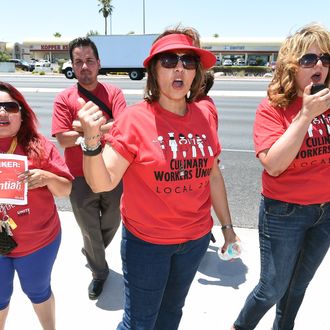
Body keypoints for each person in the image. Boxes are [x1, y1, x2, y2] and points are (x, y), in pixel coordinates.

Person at [77, 26, 240, 330]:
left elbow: (213, 177)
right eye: (168, 61)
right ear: (153, 71)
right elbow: (102, 183)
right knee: (139, 322)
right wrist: (91, 140)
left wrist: (227, 228)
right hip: (147, 245)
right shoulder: (135, 120)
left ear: (195, 74)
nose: (179, 67)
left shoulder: (204, 115)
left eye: (188, 61)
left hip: (194, 241)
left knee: (171, 315)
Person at [231, 23, 330, 330]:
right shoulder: (273, 109)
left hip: (325, 212)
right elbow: (274, 164)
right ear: (291, 65)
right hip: (284, 212)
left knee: (298, 285)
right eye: (308, 59)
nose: (319, 65)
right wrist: (305, 115)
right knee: (273, 287)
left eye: (326, 59)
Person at [51, 37, 126, 300]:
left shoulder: (114, 93)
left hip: (112, 171)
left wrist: (81, 127)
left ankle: (92, 251)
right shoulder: (64, 98)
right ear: (72, 65)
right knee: (88, 228)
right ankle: (99, 272)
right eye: (79, 61)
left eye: (89, 61)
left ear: (99, 64)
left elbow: (120, 128)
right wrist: (96, 129)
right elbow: (62, 138)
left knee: (112, 222)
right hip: (79, 177)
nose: (85, 66)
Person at [0, 81, 73, 330]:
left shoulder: (39, 145)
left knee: (38, 291)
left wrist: (47, 177)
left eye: (9, 106)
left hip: (38, 243)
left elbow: (65, 190)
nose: (2, 113)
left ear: (21, 113)